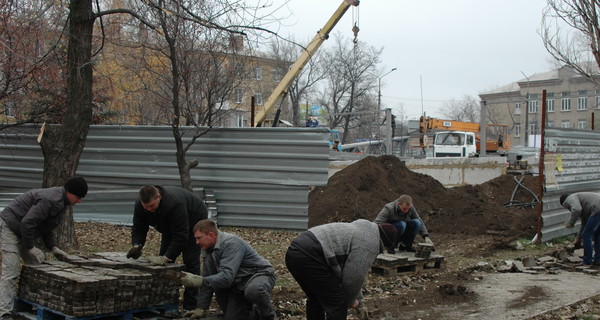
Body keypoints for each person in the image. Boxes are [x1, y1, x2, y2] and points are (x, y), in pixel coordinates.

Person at [0, 176, 88, 319]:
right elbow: (28, 223)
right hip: (10, 225)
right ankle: (4, 313)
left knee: (37, 266)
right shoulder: (50, 200)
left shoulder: (62, 203)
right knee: (11, 270)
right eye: (78, 197)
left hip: (24, 230)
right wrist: (30, 247)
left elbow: (47, 226)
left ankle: (33, 302)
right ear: (69, 192)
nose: (80, 200)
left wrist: (52, 247)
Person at [284, 219, 396, 320]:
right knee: (338, 304)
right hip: (311, 255)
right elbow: (352, 278)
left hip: (295, 251)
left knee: (316, 299)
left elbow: (354, 274)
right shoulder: (370, 243)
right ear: (385, 243)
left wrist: (360, 304)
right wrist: (351, 301)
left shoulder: (365, 229)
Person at [127, 185, 208, 312]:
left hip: (194, 218)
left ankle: (190, 305)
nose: (148, 210)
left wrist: (166, 257)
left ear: (159, 197)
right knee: (164, 265)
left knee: (190, 261)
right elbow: (139, 226)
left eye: (151, 206)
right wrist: (137, 245)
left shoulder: (175, 204)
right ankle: (165, 300)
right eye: (145, 207)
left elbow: (181, 235)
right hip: (168, 224)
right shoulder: (140, 205)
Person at [178, 219, 277, 320]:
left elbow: (226, 277)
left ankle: (269, 316)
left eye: (199, 238)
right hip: (238, 284)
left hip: (258, 274)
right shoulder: (208, 250)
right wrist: (201, 308)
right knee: (231, 316)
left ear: (211, 235)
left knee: (254, 290)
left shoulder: (231, 243)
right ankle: (254, 313)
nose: (196, 242)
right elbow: (208, 279)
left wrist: (200, 280)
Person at [560, 192, 600, 266]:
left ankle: (587, 261)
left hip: (597, 209)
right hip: (597, 208)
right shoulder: (582, 202)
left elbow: (577, 209)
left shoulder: (569, 199)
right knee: (597, 234)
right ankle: (598, 259)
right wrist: (578, 239)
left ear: (564, 205)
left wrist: (571, 222)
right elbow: (584, 224)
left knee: (587, 235)